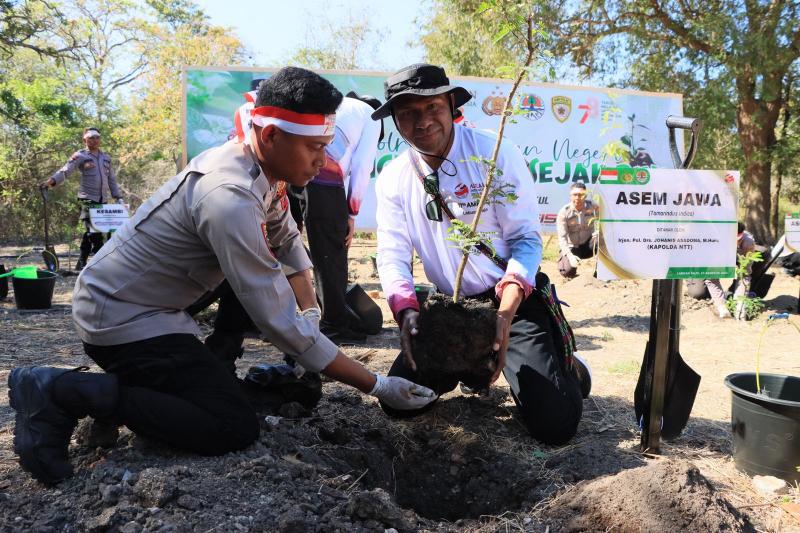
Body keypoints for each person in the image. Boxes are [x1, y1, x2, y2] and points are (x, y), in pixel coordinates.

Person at [8, 67, 435, 486]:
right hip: (120, 318)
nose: (323, 161)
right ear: (271, 135)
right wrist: (377, 384)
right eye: (315, 148)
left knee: (247, 298)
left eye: (327, 146)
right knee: (230, 424)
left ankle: (198, 372)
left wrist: (309, 308)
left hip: (155, 301)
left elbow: (286, 241)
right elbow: (276, 320)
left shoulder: (261, 166)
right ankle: (61, 390)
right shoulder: (228, 196)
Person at [370, 63, 589, 445]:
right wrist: (406, 313)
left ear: (451, 105)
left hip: (511, 299)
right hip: (452, 307)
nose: (423, 122)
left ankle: (568, 369)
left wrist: (504, 316)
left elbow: (525, 239)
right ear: (395, 121)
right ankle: (473, 369)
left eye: (432, 108)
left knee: (555, 427)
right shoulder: (393, 178)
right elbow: (392, 256)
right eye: (408, 114)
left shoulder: (494, 154)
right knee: (401, 403)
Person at [303, 92, 383, 343]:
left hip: (293, 172)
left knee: (301, 248)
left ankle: (329, 314)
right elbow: (362, 167)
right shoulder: (372, 116)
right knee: (332, 255)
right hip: (323, 180)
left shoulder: (339, 106)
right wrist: (351, 213)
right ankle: (333, 325)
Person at [40, 127, 124, 270]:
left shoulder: (106, 158)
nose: (94, 140)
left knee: (90, 231)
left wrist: (118, 197)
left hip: (102, 199)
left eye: (97, 137)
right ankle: (101, 264)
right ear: (85, 139)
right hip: (87, 198)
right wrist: (51, 181)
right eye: (91, 137)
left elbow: (111, 179)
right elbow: (66, 170)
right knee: (96, 233)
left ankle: (81, 261)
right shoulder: (80, 155)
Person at [686, 222, 763, 318]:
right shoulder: (713, 240)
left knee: (755, 264)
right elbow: (712, 277)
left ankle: (734, 299)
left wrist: (740, 302)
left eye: (737, 240)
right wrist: (721, 306)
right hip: (703, 258)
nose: (735, 243)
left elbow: (744, 274)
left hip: (737, 253)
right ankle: (718, 301)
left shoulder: (748, 242)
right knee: (698, 293)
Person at [555, 182, 598, 279]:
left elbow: (605, 221)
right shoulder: (564, 212)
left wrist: (599, 232)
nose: (578, 198)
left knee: (601, 239)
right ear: (570, 196)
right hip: (572, 248)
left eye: (581, 195)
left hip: (588, 246)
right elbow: (562, 238)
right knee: (567, 272)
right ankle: (570, 268)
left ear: (585, 195)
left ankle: (599, 272)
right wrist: (569, 255)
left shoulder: (593, 207)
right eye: (575, 195)